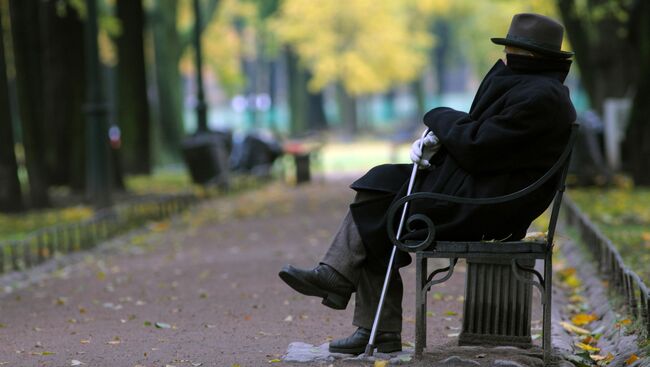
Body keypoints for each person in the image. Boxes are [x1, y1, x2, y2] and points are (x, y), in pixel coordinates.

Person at [279, 13, 576, 355]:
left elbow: (478, 147)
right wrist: (440, 137)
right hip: (478, 190)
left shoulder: (540, 97)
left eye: (514, 46)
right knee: (378, 185)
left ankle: (354, 300)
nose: (508, 52)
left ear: (532, 54)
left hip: (489, 205)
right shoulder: (532, 88)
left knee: (381, 208)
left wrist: (437, 116)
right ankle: (352, 297)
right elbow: (485, 142)